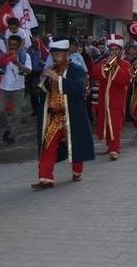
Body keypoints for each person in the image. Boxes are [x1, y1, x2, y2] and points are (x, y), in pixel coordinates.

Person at [32, 38, 95, 189]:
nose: (55, 58)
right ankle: (45, 179)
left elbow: (78, 90)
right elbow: (40, 93)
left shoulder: (77, 70)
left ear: (67, 54)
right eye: (53, 55)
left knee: (75, 144)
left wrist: (58, 79)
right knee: (47, 145)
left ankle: (77, 171)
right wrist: (42, 82)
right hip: (53, 116)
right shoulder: (51, 70)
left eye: (58, 55)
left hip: (71, 115)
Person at [94, 34, 131, 160]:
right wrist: (105, 66)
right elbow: (95, 73)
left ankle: (115, 148)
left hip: (117, 100)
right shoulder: (103, 62)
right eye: (111, 50)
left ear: (121, 51)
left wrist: (115, 67)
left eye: (116, 50)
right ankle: (110, 145)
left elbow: (125, 79)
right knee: (106, 122)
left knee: (115, 124)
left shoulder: (125, 64)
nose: (113, 52)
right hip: (104, 100)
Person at [0, 34, 32, 144]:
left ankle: (12, 136)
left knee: (16, 114)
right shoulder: (3, 54)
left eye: (15, 45)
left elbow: (28, 71)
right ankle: (8, 128)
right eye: (10, 45)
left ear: (20, 45)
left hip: (18, 88)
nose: (12, 47)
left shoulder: (25, 56)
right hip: (4, 87)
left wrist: (17, 63)